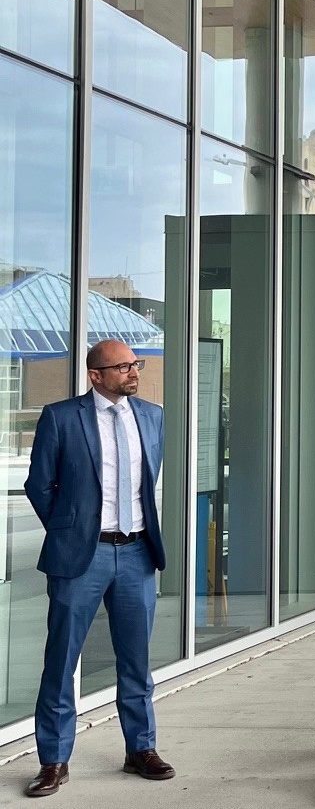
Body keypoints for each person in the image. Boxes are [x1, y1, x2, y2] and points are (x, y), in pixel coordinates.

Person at [23, 340, 175, 797]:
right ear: (95, 375)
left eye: (135, 364)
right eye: (124, 366)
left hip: (136, 554)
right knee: (61, 660)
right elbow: (39, 483)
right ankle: (53, 760)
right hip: (80, 558)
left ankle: (140, 749)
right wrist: (68, 529)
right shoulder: (61, 416)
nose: (134, 372)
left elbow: (148, 479)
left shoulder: (151, 415)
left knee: (136, 662)